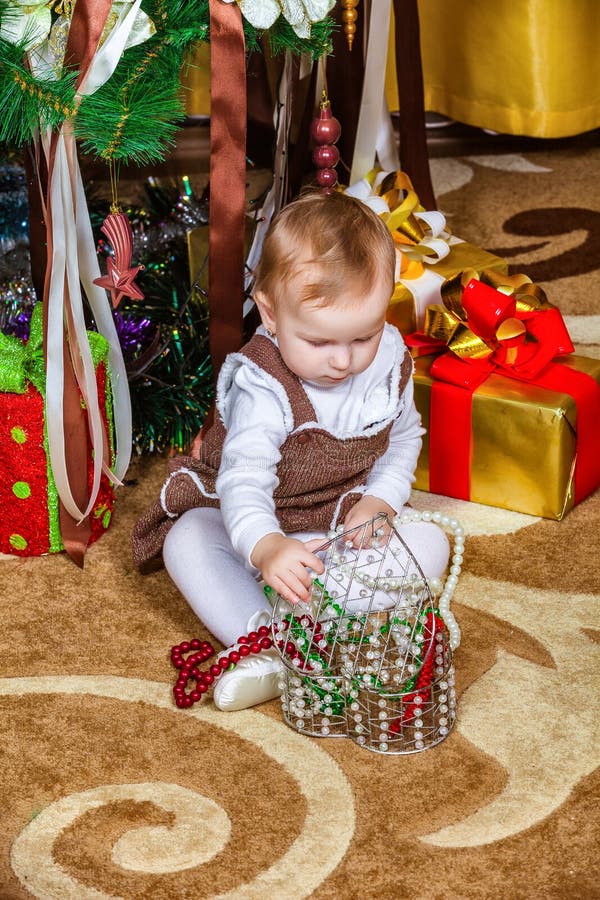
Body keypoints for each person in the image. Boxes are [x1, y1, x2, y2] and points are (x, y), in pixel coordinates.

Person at [131, 190, 450, 711]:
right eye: (320, 342)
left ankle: (309, 618)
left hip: (337, 521)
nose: (344, 361)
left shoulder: (390, 359)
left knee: (431, 544)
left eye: (363, 337)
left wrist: (381, 500)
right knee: (186, 541)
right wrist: (266, 547)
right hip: (247, 515)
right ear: (271, 313)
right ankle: (262, 640)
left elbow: (403, 437)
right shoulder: (263, 385)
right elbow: (243, 481)